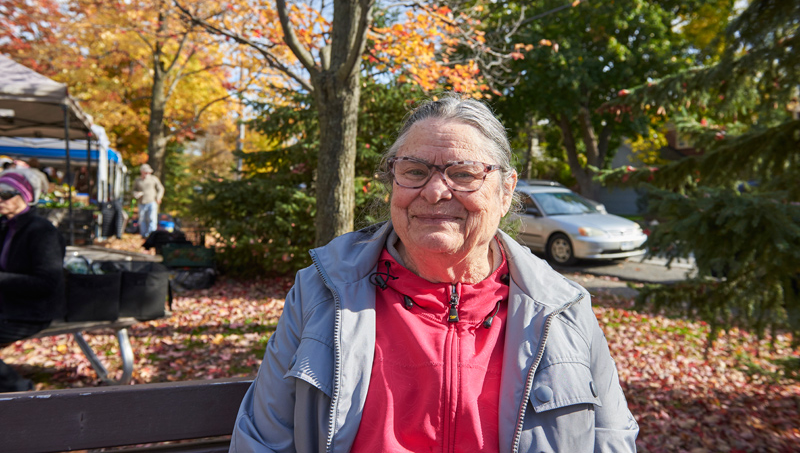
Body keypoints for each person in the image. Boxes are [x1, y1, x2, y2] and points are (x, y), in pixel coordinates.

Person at [230, 95, 638, 452]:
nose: (435, 191)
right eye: (414, 170)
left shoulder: (562, 308)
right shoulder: (321, 291)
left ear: (506, 190)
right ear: (393, 181)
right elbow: (263, 441)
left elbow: (611, 439)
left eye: (463, 174)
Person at [0, 169, 66, 392]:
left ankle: (20, 389)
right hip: (7, 304)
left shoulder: (41, 231)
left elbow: (47, 283)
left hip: (31, 311)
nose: (0, 200)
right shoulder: (6, 226)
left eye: (6, 194)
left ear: (24, 196)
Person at [132, 163, 164, 239]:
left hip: (152, 202)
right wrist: (136, 194)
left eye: (148, 172)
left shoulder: (154, 179)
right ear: (142, 172)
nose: (147, 174)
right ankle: (144, 235)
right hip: (141, 202)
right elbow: (133, 191)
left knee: (152, 219)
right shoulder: (137, 180)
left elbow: (161, 189)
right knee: (142, 219)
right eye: (145, 172)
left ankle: (152, 235)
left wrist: (158, 197)